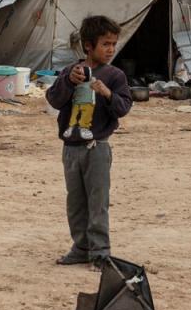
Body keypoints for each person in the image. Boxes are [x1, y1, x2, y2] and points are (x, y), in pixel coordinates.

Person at [46, 15, 132, 267]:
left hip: (97, 147)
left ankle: (100, 252)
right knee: (76, 202)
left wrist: (106, 93)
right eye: (105, 44)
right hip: (71, 147)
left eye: (113, 44)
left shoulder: (115, 76)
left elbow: (123, 107)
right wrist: (68, 82)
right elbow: (54, 100)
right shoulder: (70, 72)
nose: (110, 49)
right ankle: (81, 247)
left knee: (98, 201)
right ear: (88, 45)